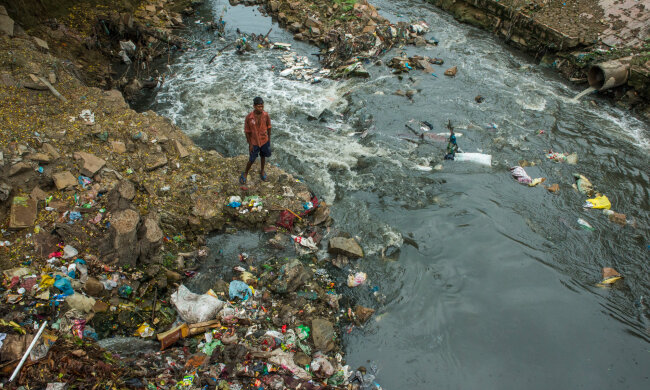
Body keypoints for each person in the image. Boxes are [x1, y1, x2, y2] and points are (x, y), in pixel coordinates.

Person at [240, 97, 271, 184]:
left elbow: (269, 127)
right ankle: (245, 172)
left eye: (262, 106)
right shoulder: (249, 117)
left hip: (264, 140)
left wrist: (269, 140)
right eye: (258, 106)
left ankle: (262, 171)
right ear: (254, 106)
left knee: (263, 156)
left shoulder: (266, 115)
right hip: (254, 142)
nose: (260, 108)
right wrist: (250, 144)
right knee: (252, 159)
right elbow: (247, 132)